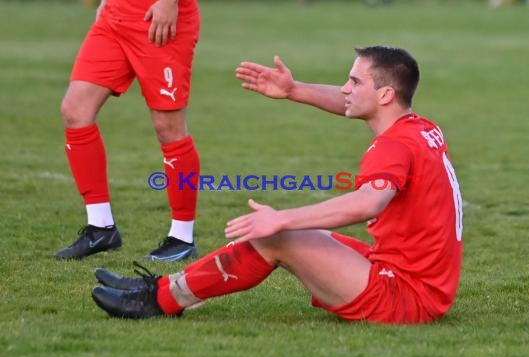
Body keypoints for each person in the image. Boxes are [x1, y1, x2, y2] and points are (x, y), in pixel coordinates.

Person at [91, 45, 464, 324]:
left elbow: (368, 203)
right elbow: (349, 102)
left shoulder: (393, 146)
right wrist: (293, 89)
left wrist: (282, 218)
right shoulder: (420, 127)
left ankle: (159, 301)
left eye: (354, 81)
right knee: (291, 234)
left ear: (385, 95)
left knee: (277, 236)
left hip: (405, 296)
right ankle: (158, 291)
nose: (344, 88)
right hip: (412, 279)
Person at [55, 0, 201, 262]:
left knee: (168, 128)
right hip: (115, 17)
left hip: (158, 15)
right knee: (75, 110)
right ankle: (101, 228)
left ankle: (182, 238)